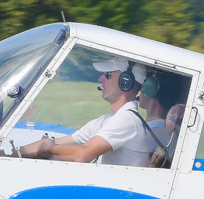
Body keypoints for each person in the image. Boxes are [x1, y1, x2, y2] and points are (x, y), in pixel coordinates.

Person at [16, 57, 154, 166]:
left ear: (126, 82)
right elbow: (70, 141)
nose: (100, 79)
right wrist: (14, 153)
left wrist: (49, 148)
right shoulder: (107, 120)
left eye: (108, 75)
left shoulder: (128, 119)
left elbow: (82, 154)